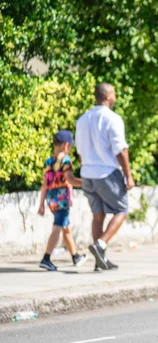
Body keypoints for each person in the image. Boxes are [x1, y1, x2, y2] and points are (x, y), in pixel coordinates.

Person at [75, 83, 135, 272]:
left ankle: (99, 262)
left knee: (98, 215)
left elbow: (79, 150)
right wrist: (128, 175)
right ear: (108, 96)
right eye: (114, 94)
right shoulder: (112, 118)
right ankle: (100, 244)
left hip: (87, 173)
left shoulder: (82, 119)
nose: (115, 97)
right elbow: (120, 150)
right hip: (106, 172)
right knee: (122, 209)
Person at [38, 130, 88, 271]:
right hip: (62, 199)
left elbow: (44, 185)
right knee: (58, 227)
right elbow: (70, 179)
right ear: (66, 145)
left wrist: (41, 204)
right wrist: (88, 182)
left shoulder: (48, 162)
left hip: (51, 199)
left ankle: (75, 256)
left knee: (66, 228)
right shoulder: (66, 160)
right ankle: (46, 258)